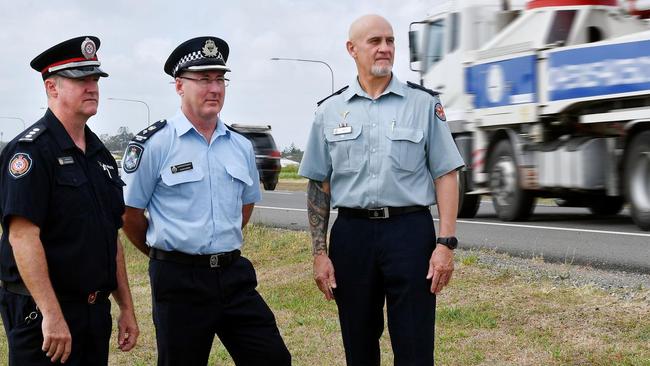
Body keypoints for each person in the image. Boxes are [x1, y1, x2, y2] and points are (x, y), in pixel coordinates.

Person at [299, 15, 465, 366]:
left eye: (390, 41)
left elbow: (446, 173)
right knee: (358, 342)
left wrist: (445, 243)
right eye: (375, 41)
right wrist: (319, 252)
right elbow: (319, 184)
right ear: (352, 49)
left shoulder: (422, 104)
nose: (385, 48)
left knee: (415, 342)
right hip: (352, 236)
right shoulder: (329, 111)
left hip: (409, 233)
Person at [121, 36, 291, 366]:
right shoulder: (155, 144)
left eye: (219, 79)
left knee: (273, 358)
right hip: (179, 280)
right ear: (179, 86)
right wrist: (168, 253)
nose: (214, 89)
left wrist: (217, 241)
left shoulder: (240, 146)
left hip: (232, 276)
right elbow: (130, 214)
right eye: (203, 79)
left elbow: (245, 204)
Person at [0, 36, 139, 365]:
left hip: (93, 312)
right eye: (80, 79)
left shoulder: (100, 154)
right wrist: (52, 314)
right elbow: (22, 236)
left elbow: (111, 236)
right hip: (44, 316)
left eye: (94, 79)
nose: (91, 87)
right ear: (52, 87)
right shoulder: (31, 152)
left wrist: (126, 308)